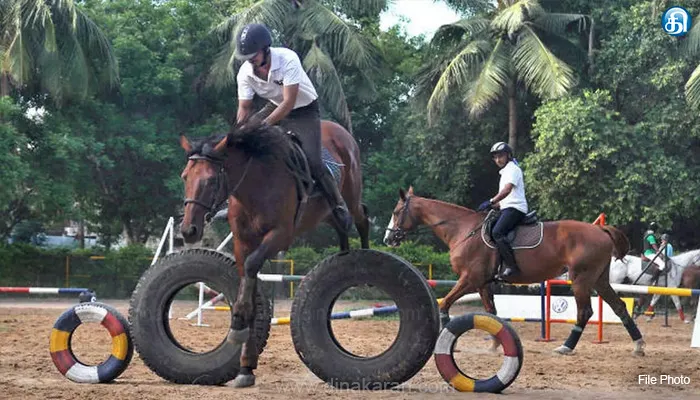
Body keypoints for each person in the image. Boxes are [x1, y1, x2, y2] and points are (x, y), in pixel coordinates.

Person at [232, 23, 352, 232]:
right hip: (275, 105)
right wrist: (239, 133)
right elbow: (244, 108)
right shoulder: (244, 73)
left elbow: (289, 102)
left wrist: (263, 126)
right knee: (242, 148)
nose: (250, 60)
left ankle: (338, 205)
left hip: (302, 110)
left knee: (313, 160)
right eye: (247, 57)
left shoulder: (287, 59)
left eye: (254, 55)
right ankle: (234, 202)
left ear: (265, 49)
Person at [477, 142, 528, 279]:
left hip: (515, 208)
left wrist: (491, 201)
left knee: (497, 232)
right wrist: (490, 206)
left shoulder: (513, 169)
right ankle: (496, 265)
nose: (498, 160)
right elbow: (504, 199)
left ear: (508, 155)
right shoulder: (505, 172)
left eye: (501, 156)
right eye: (495, 157)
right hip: (507, 207)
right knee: (488, 228)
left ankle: (513, 267)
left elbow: (507, 190)